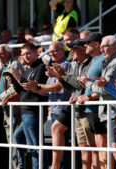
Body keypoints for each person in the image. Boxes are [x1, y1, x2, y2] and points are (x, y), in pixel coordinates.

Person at [78, 35, 116, 169]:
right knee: (114, 148)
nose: (102, 49)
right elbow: (103, 88)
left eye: (105, 46)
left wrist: (88, 84)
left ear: (115, 47)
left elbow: (105, 89)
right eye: (101, 47)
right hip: (108, 111)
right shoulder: (108, 62)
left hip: (115, 110)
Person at [21, 41, 72, 169]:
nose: (52, 53)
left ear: (62, 50)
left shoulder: (65, 65)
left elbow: (56, 88)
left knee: (62, 148)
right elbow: (47, 91)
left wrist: (37, 86)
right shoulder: (53, 66)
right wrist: (34, 88)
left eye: (55, 50)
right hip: (54, 109)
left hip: (63, 109)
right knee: (56, 146)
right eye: (50, 52)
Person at [48, 39, 95, 169]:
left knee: (91, 146)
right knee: (83, 146)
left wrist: (63, 75)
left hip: (87, 108)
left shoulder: (91, 63)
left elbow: (80, 84)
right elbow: (70, 87)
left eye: (74, 49)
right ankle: (55, 166)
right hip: (76, 107)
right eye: (71, 49)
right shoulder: (74, 63)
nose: (72, 52)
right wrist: (59, 76)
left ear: (83, 49)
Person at [8, 43, 49, 169]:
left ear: (36, 52)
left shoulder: (41, 67)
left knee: (35, 146)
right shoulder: (28, 69)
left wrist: (19, 77)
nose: (26, 56)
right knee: (17, 136)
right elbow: (23, 92)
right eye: (23, 54)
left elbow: (32, 88)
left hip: (34, 111)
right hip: (26, 111)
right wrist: (15, 82)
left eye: (28, 53)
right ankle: (23, 165)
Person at [76, 32, 107, 169]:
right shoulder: (95, 60)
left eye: (87, 43)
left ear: (97, 44)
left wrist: (88, 97)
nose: (85, 45)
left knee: (102, 145)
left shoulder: (103, 60)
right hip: (90, 109)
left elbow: (105, 86)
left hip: (98, 109)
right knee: (97, 145)